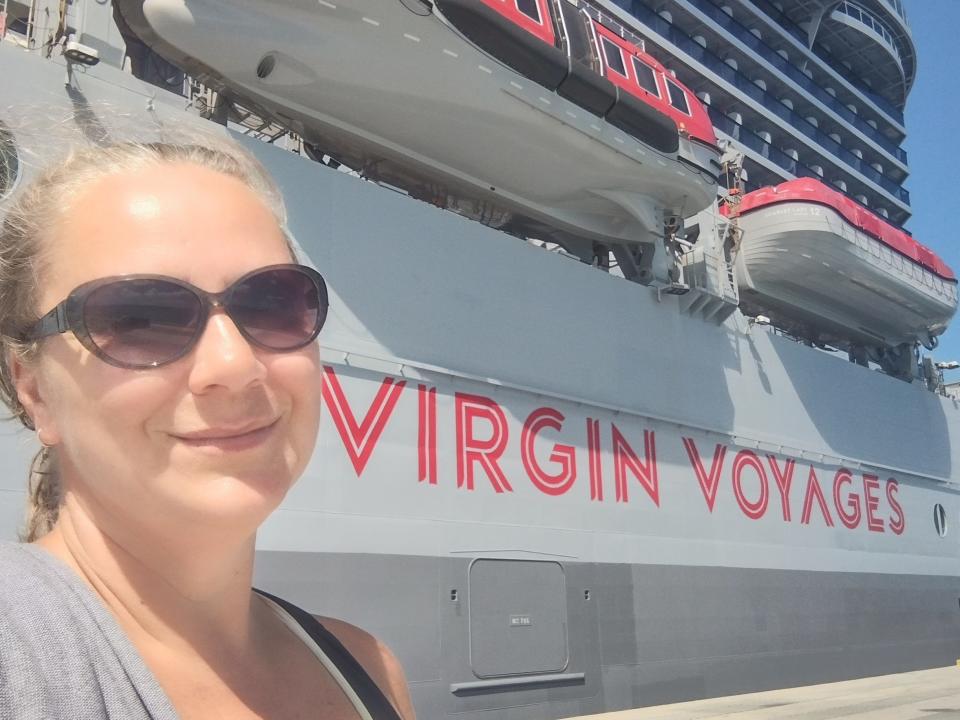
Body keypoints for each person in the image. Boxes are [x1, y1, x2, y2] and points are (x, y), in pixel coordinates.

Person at [0, 140, 416, 720]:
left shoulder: (366, 668)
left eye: (272, 301)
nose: (234, 366)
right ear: (35, 389)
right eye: (138, 316)